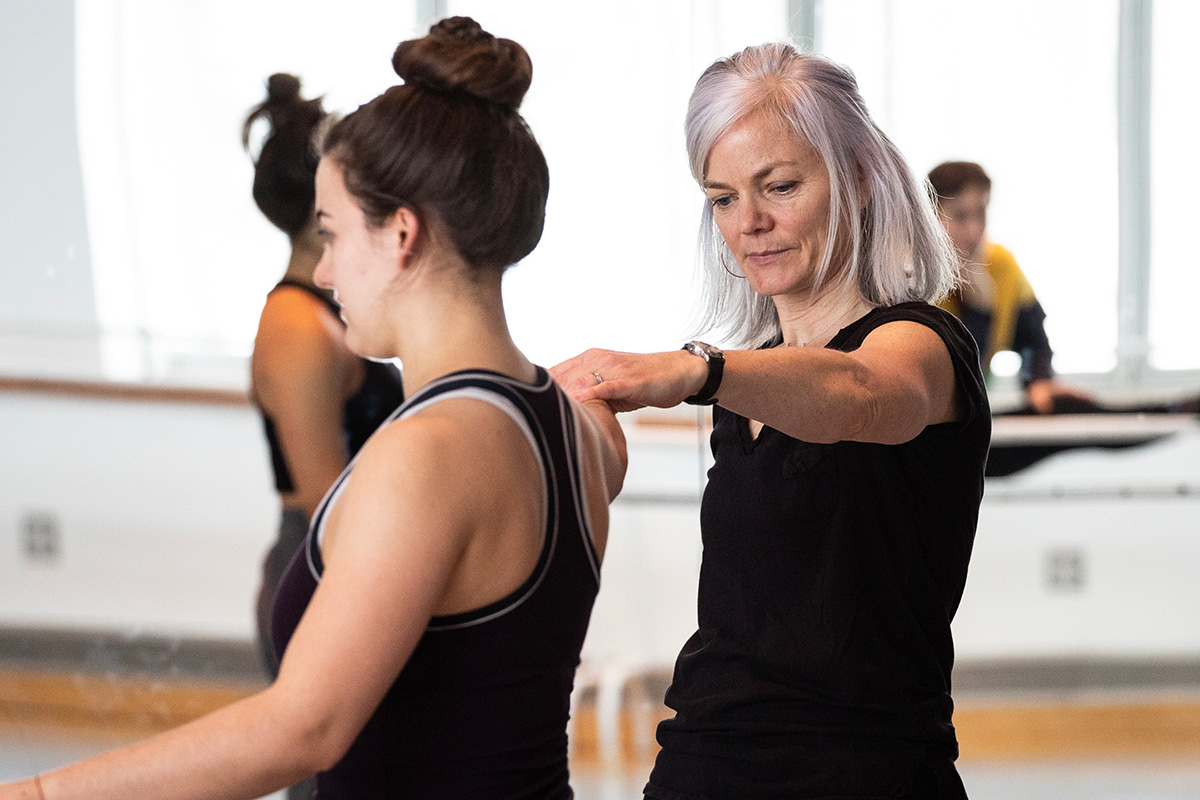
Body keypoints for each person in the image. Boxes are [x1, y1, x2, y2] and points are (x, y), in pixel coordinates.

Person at [2, 17, 625, 800]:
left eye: (332, 235)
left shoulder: (427, 451)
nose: (324, 270)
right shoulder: (584, 431)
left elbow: (302, 728)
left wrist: (34, 793)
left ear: (401, 233)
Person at [553, 43, 990, 799]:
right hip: (702, 760)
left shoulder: (922, 344)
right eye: (722, 198)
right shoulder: (746, 385)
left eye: (780, 186)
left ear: (856, 180)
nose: (750, 222)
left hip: (864, 772)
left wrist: (700, 369)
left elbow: (858, 392)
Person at [243, 72, 404, 687]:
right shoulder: (297, 328)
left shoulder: (330, 312)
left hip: (341, 565)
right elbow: (326, 504)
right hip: (316, 575)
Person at [928, 160, 1096, 414]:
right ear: (929, 217)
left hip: (974, 416)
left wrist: (1038, 381)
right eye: (960, 216)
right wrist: (978, 305)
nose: (974, 231)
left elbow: (1033, 338)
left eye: (981, 214)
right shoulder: (912, 276)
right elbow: (957, 380)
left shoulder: (1001, 263)